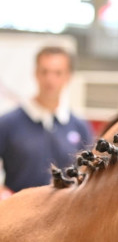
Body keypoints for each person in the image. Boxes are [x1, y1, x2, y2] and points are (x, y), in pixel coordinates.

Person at [0, 46, 93, 195]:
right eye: (44, 72)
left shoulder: (80, 126)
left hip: (65, 213)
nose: (50, 79)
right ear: (36, 74)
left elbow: (89, 175)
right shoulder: (8, 123)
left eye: (57, 73)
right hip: (19, 213)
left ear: (68, 76)